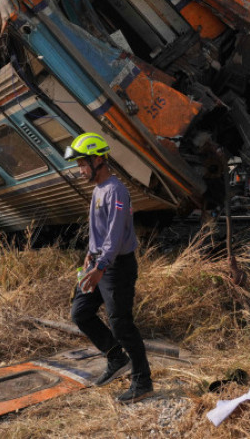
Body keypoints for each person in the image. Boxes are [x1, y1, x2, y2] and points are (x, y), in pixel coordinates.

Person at [65, 132, 153, 404]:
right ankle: (116, 357)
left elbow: (114, 236)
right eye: (78, 164)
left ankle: (143, 382)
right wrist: (89, 259)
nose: (80, 170)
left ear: (99, 160)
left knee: (121, 324)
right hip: (99, 263)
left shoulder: (116, 190)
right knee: (80, 313)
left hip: (117, 268)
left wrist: (100, 265)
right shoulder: (97, 190)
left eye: (82, 163)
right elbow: (98, 233)